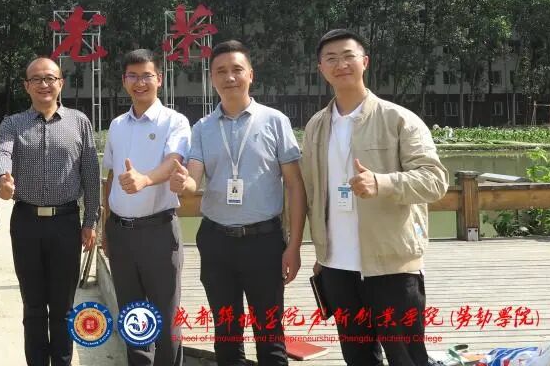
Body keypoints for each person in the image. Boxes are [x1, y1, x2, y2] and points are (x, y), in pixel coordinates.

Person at [300, 29, 448, 366]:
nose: (340, 64)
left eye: (348, 56)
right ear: (321, 69)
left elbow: (435, 180)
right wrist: (319, 253)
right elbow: (309, 193)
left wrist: (382, 182)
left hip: (392, 264)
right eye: (331, 59)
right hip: (337, 267)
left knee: (407, 357)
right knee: (358, 358)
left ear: (365, 62)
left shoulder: (398, 119)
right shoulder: (315, 127)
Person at [170, 40, 305, 366]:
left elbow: (295, 186)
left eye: (236, 70)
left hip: (264, 242)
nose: (229, 77)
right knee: (226, 333)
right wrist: (183, 183)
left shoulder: (275, 121)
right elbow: (194, 179)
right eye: (221, 71)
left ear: (250, 75)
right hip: (216, 242)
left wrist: (294, 246)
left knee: (270, 334)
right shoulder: (202, 128)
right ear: (212, 78)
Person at [0, 57, 101, 366]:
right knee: (33, 305)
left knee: (64, 306)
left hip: (66, 223)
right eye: (36, 79)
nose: (44, 84)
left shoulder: (79, 122)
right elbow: (2, 153)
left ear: (60, 83)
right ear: (26, 86)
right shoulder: (13, 123)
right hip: (26, 223)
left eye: (50, 78)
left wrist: (90, 221)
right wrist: (2, 178)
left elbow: (91, 175)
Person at [102, 49, 191, 366]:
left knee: (166, 317)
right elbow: (110, 177)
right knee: (133, 316)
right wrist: (105, 227)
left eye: (146, 76)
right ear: (124, 80)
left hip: (159, 232)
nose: (140, 83)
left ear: (159, 79)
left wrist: (145, 179)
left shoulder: (175, 121)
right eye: (133, 76)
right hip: (120, 233)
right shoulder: (117, 125)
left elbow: (174, 162)